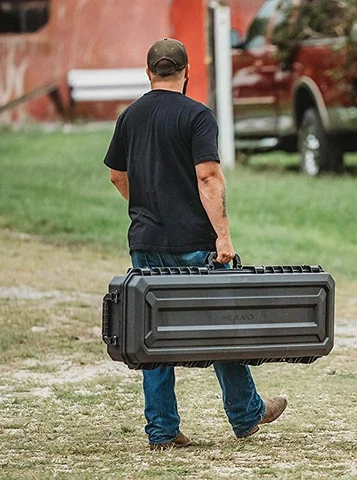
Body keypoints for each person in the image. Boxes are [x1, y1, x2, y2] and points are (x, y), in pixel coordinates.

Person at [103, 38, 287, 450]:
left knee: (150, 333)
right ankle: (246, 414)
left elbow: (117, 175)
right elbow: (207, 177)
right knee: (220, 324)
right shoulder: (198, 116)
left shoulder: (129, 117)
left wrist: (149, 205)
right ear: (187, 73)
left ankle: (163, 432)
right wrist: (223, 235)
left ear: (148, 72)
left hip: (145, 242)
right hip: (193, 242)